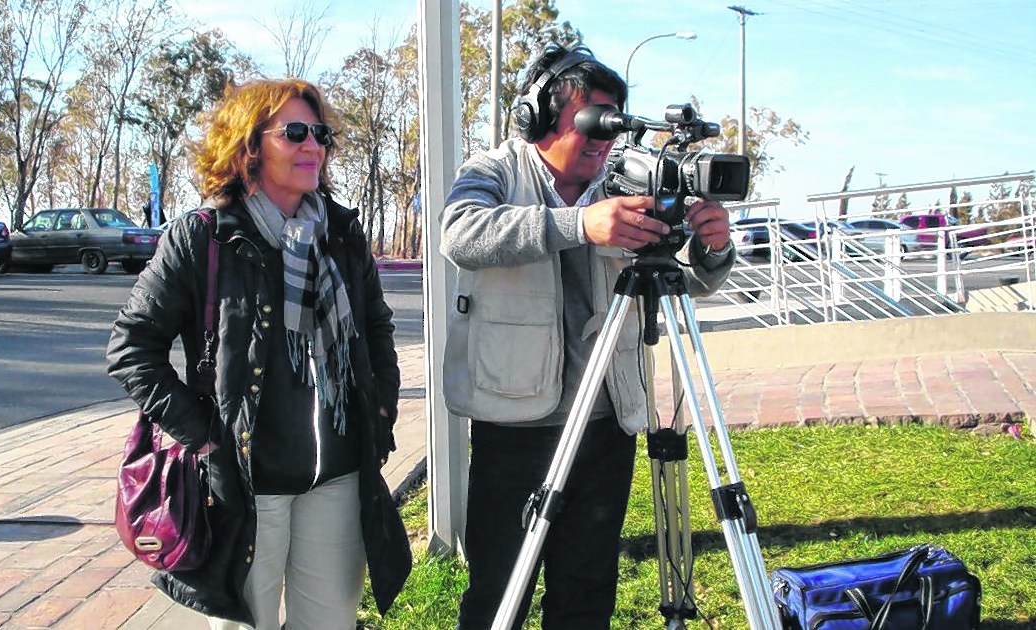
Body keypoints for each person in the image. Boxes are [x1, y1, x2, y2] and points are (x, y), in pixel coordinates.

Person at [440, 44, 736, 629]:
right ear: (541, 115)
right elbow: (461, 233)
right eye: (592, 117)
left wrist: (714, 245)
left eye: (614, 119)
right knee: (501, 589)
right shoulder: (494, 169)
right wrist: (578, 224)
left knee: (587, 587)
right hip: (516, 423)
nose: (605, 136)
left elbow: (688, 280)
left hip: (606, 423)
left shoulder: (622, 182)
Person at [105, 77, 411, 629]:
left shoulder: (340, 232)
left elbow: (374, 325)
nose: (313, 145)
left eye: (320, 134)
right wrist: (206, 440)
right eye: (295, 132)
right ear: (249, 145)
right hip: (249, 484)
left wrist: (381, 411)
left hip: (337, 476)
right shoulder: (202, 237)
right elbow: (131, 349)